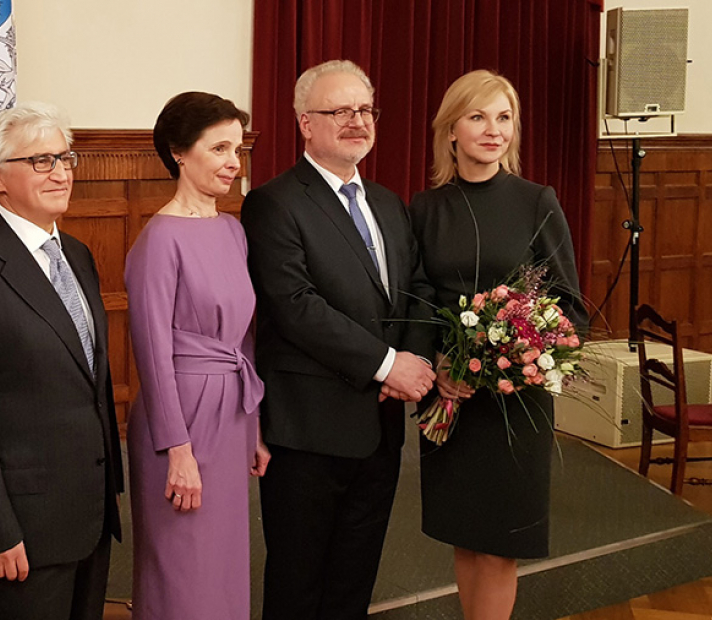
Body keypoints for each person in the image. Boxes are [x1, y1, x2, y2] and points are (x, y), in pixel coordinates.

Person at [240, 60, 437, 620]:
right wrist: (387, 365)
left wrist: (413, 360)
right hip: (309, 429)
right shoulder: (273, 203)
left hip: (379, 426)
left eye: (365, 110)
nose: (358, 121)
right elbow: (295, 307)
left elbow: (418, 289)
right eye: (340, 110)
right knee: (299, 583)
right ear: (305, 123)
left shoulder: (388, 203)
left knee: (355, 579)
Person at [0, 102, 124, 620]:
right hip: (17, 527)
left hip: (87, 514)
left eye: (65, 158)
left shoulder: (77, 254)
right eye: (40, 161)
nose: (60, 173)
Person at [410, 69, 589, 620]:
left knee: (498, 545)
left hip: (515, 402)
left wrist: (504, 357)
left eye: (504, 117)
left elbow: (568, 306)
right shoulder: (425, 208)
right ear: (451, 130)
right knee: (465, 537)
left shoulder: (537, 201)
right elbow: (417, 300)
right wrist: (438, 364)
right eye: (478, 116)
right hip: (450, 400)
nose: (494, 130)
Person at [125, 91, 270, 620]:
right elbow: (151, 352)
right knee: (183, 570)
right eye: (219, 148)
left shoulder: (232, 230)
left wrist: (254, 428)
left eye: (238, 149)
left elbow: (244, 337)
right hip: (180, 420)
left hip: (231, 415)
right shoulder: (158, 239)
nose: (234, 162)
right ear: (179, 153)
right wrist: (177, 450)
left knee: (222, 566)